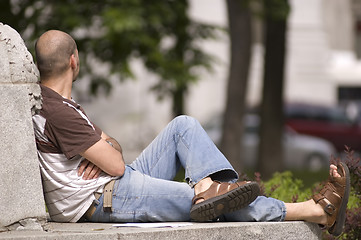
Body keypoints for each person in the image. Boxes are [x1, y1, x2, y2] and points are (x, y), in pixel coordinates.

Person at [32, 30, 350, 237]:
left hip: (112, 185)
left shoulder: (59, 103)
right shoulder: (58, 112)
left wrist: (104, 147)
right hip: (103, 197)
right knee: (209, 204)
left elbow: (111, 147)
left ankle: (207, 186)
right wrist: (105, 150)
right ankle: (315, 211)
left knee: (183, 124)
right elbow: (115, 163)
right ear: (74, 61)